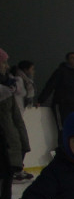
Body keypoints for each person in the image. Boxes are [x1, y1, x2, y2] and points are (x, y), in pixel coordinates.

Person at [36, 52, 74, 135]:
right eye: (73, 58)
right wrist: (40, 100)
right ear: (67, 60)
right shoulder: (60, 72)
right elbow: (50, 86)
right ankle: (62, 143)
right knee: (63, 128)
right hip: (61, 104)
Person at [1, 49, 32, 184]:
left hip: (13, 119)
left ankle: (15, 170)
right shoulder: (10, 84)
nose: (7, 66)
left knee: (20, 142)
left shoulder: (9, 82)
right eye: (3, 62)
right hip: (6, 128)